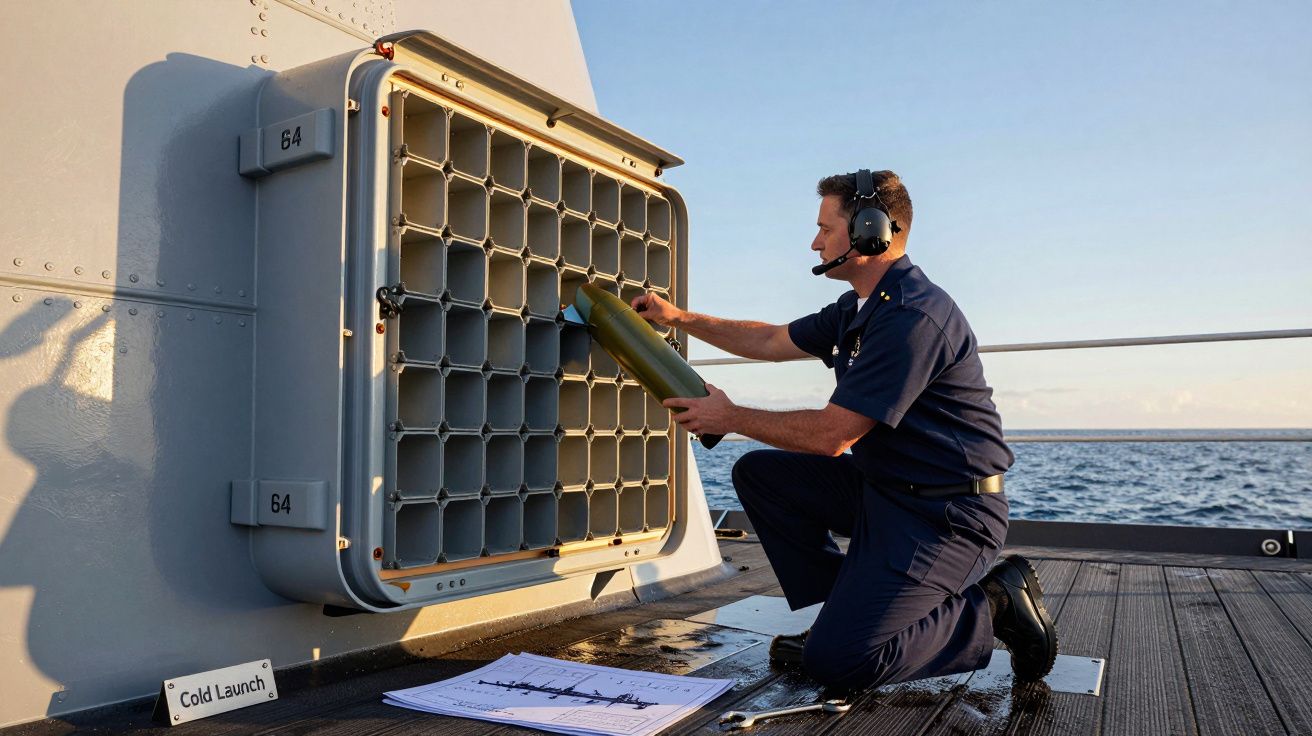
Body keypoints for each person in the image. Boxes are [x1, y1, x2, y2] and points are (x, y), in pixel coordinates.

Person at [630, 169, 1058, 691]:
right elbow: (769, 341)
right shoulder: (857, 307)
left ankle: (994, 605)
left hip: (948, 515)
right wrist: (678, 318)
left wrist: (732, 416)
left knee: (842, 663)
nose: (815, 241)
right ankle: (847, 610)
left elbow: (833, 436)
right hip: (885, 491)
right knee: (761, 476)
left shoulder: (911, 316)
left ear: (870, 232)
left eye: (825, 229)